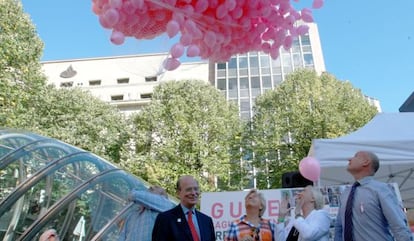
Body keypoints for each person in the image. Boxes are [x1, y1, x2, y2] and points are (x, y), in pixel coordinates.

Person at [334, 151, 412, 241]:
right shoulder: (346, 193)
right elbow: (339, 227)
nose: (349, 159)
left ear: (366, 162)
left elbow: (398, 225)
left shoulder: (381, 190)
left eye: (355, 156)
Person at [152, 175, 215, 241]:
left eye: (196, 189)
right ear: (178, 193)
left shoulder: (206, 221)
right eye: (188, 189)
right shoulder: (165, 219)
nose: (193, 193)